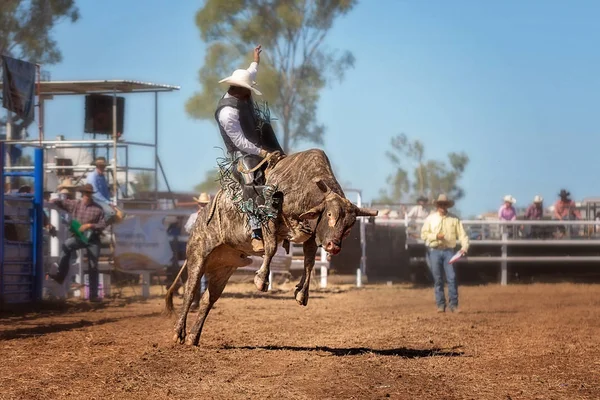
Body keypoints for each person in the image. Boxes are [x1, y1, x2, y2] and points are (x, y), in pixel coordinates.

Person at [215, 44, 284, 253]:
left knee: (266, 126)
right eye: (248, 90)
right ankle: (255, 231)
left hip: (257, 143)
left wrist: (256, 59)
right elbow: (240, 142)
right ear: (238, 89)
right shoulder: (227, 112)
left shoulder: (240, 93)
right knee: (250, 179)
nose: (249, 94)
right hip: (240, 154)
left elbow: (251, 72)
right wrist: (263, 153)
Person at [49, 184, 106, 301]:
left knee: (93, 265)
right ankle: (61, 275)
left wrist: (90, 225)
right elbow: (61, 202)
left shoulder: (98, 209)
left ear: (91, 195)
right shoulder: (75, 204)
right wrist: (52, 200)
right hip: (80, 237)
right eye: (85, 193)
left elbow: (102, 224)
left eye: (88, 193)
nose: (87, 195)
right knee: (67, 245)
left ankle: (93, 295)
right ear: (82, 194)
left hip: (93, 238)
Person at [420, 194, 469, 313]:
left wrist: (464, 247)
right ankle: (441, 304)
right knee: (438, 279)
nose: (442, 206)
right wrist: (436, 236)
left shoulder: (454, 219)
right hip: (435, 250)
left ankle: (453, 305)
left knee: (451, 277)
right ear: (437, 205)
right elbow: (423, 234)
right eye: (440, 204)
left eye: (444, 204)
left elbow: (462, 235)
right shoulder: (430, 219)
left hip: (448, 251)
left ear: (447, 206)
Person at [85, 156, 123, 225]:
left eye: (103, 166)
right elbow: (95, 193)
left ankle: (102, 225)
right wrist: (108, 202)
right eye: (100, 166)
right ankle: (99, 225)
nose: (102, 168)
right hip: (94, 199)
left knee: (121, 212)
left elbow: (106, 191)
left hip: (102, 200)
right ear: (97, 166)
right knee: (111, 213)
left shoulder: (103, 177)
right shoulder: (92, 176)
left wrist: (110, 202)